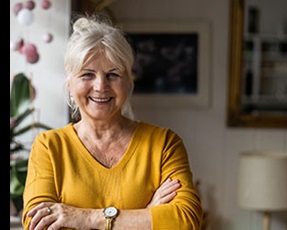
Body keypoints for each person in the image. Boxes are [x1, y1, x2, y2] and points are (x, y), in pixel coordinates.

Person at [22, 13, 203, 230]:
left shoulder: (164, 144)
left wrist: (86, 218)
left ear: (128, 82)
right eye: (87, 74)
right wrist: (145, 216)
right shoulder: (49, 147)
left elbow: (186, 221)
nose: (100, 86)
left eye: (113, 75)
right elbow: (37, 224)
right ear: (70, 84)